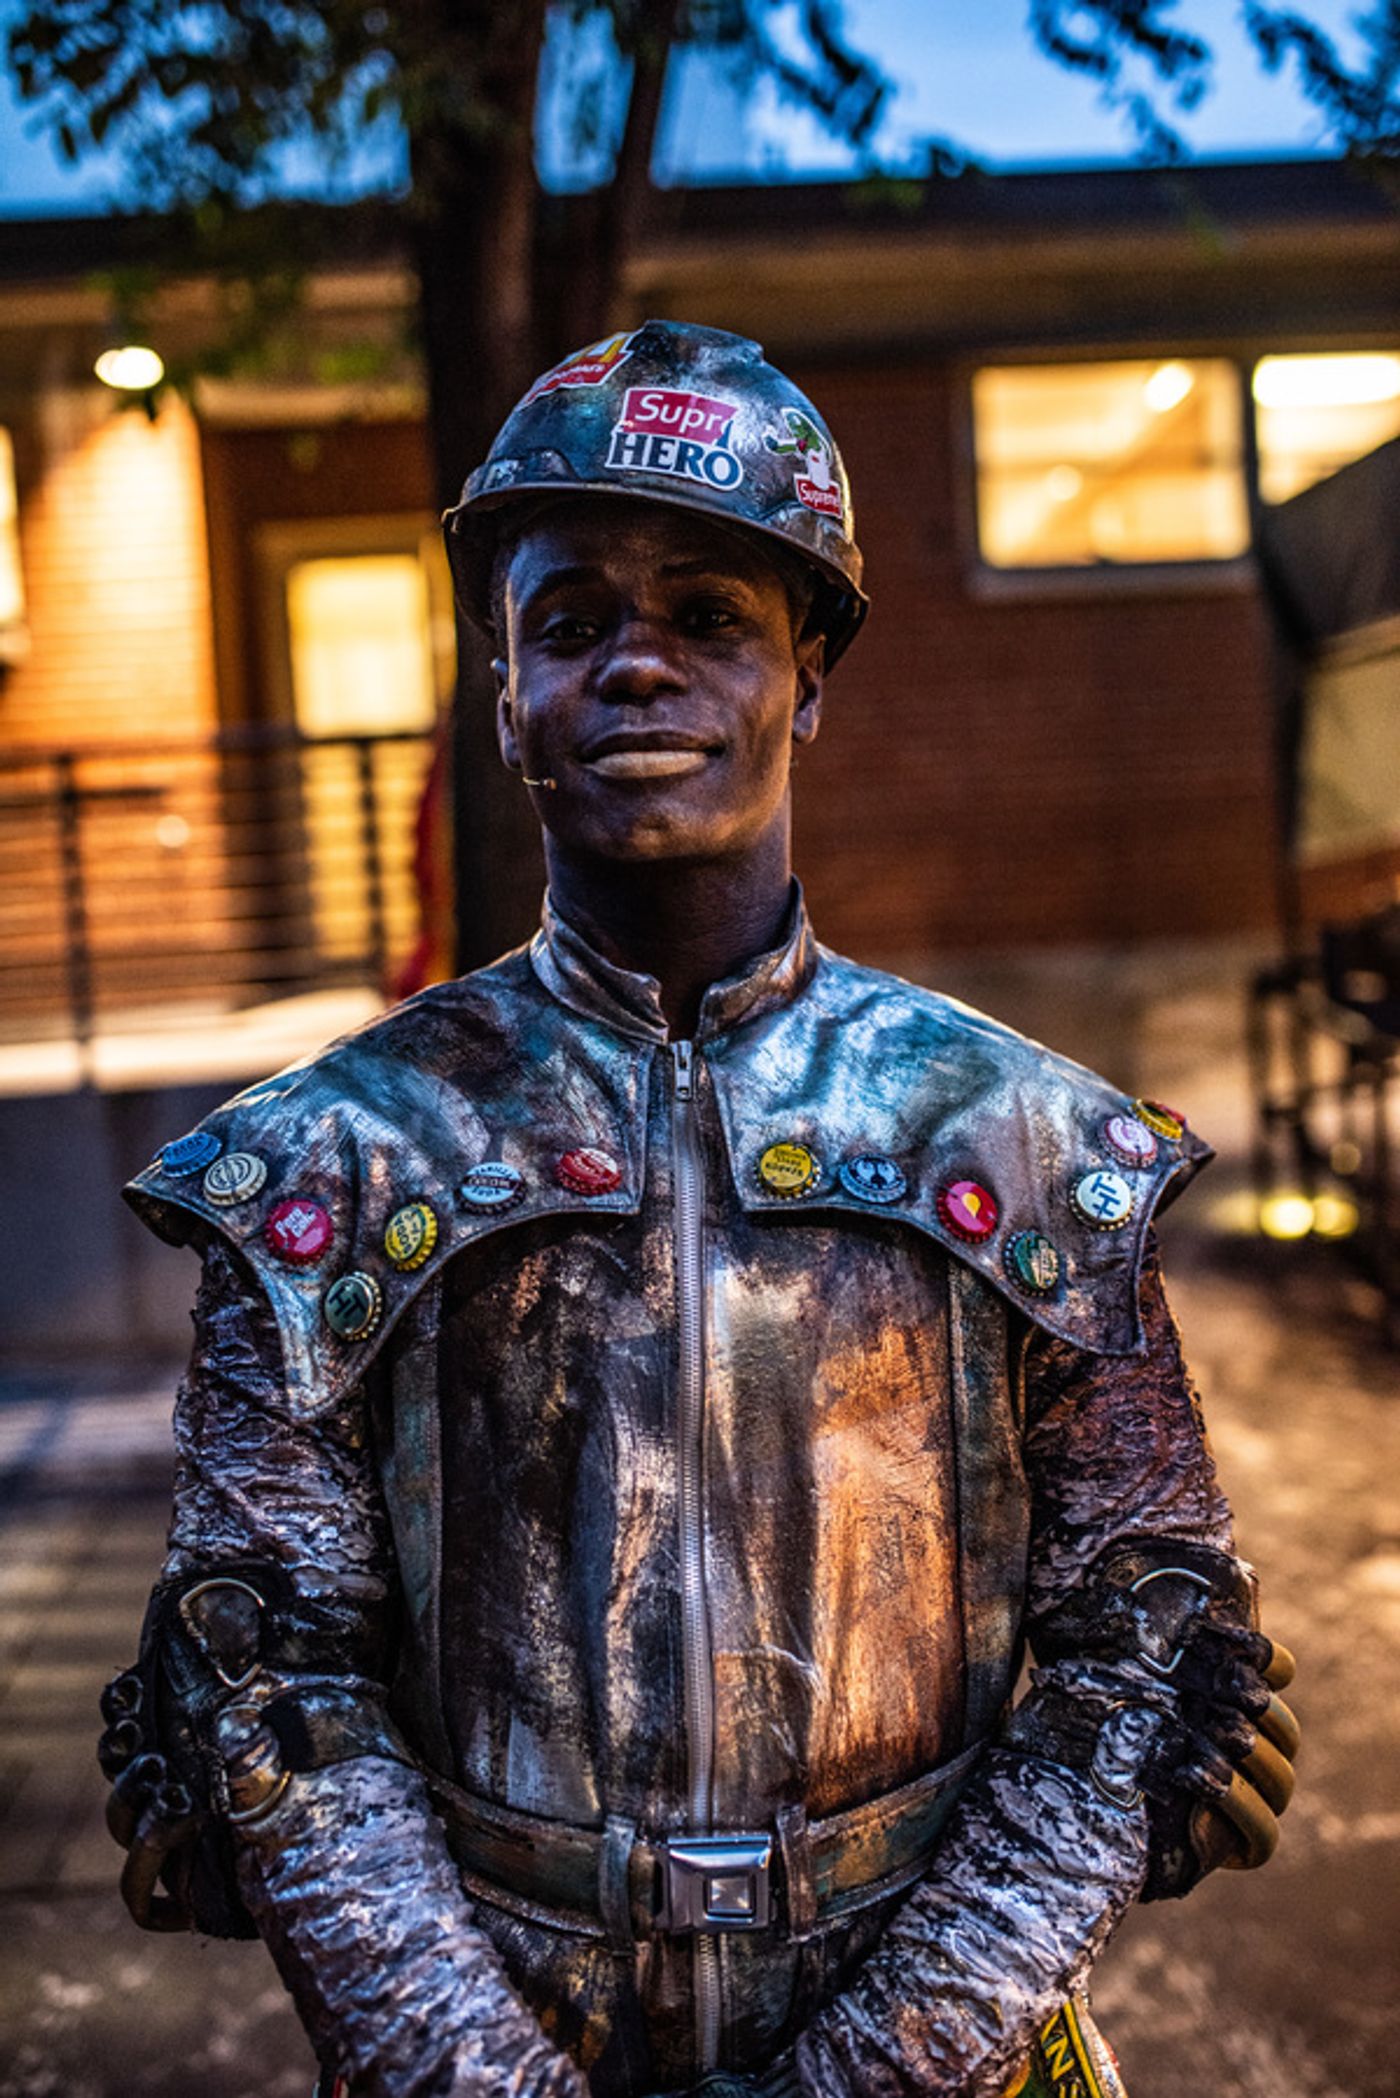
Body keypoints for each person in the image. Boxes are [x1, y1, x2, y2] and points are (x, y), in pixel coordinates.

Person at [100, 321, 1298, 2098]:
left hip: (949, 2050)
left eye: (713, 618)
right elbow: (275, 1678)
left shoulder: (1028, 1138)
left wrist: (875, 2069)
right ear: (501, 686)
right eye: (571, 621)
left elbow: (1136, 1638)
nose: (637, 669)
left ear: (808, 673)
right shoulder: (328, 1164)